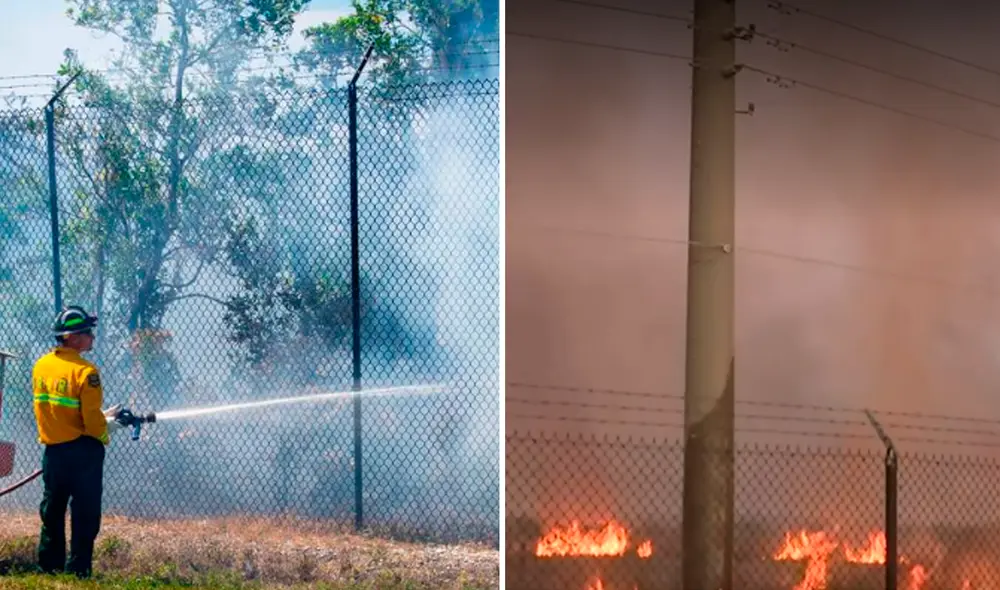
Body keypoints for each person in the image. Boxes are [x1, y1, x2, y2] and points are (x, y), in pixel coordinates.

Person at [32, 305, 124, 578]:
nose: (92, 338)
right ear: (72, 337)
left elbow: (59, 410)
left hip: (54, 452)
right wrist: (105, 430)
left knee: (52, 511)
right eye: (87, 333)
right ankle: (78, 570)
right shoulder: (86, 372)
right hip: (84, 452)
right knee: (85, 512)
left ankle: (49, 567)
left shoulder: (41, 366)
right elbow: (90, 420)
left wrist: (100, 417)